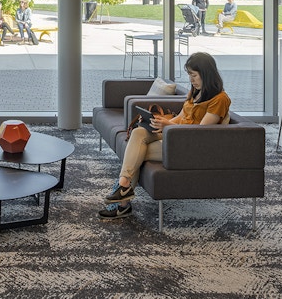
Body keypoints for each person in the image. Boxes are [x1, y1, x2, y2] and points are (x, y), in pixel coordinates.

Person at [99, 51, 231, 220]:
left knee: (136, 153)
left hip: (191, 148)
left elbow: (200, 133)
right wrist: (163, 121)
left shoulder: (220, 99)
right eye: (189, 75)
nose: (191, 80)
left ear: (207, 74)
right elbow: (182, 117)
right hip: (175, 137)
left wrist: (168, 125)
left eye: (194, 75)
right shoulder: (196, 92)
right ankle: (124, 188)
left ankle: (122, 201)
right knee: (139, 132)